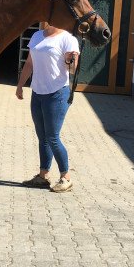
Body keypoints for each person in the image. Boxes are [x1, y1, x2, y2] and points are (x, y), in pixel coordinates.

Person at [16, 23, 79, 193]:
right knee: (42, 137)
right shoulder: (37, 36)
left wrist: (70, 61)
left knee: (52, 137)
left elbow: (72, 70)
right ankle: (43, 176)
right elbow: (29, 63)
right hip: (37, 92)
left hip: (57, 93)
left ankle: (66, 178)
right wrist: (20, 85)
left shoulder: (68, 39)